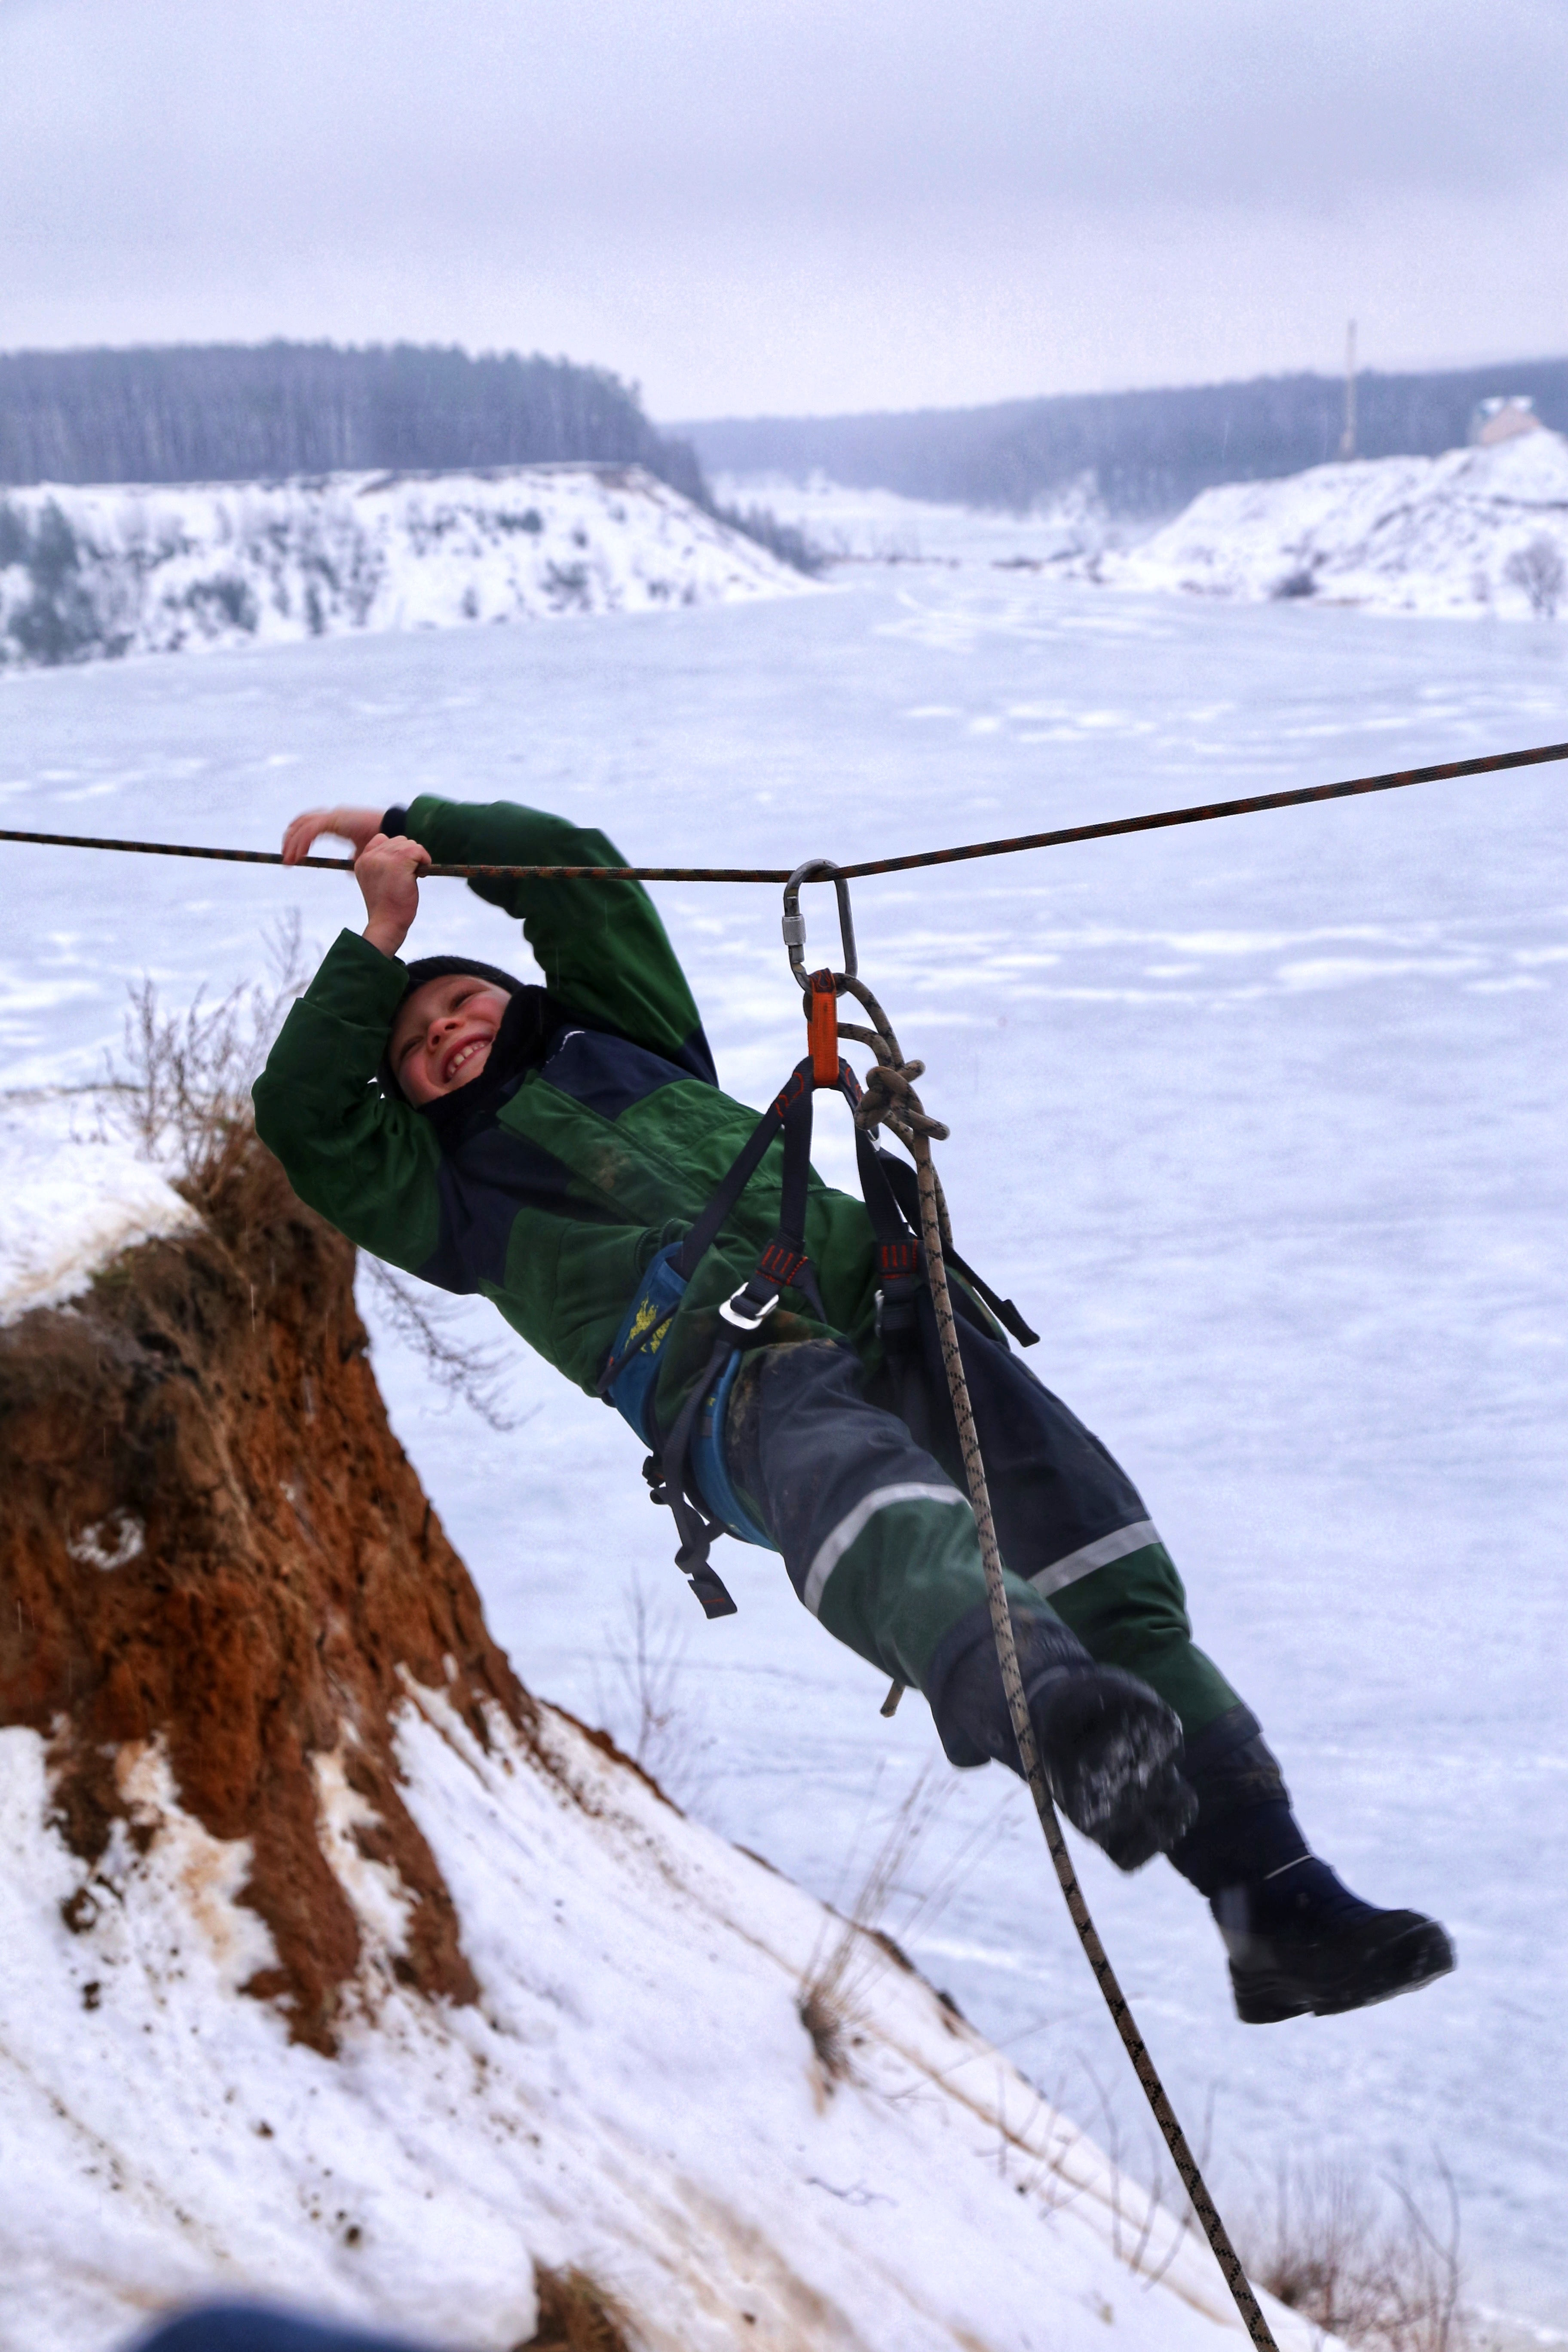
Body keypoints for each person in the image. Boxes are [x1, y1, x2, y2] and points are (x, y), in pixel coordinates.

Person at [255, 797, 1455, 2025]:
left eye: (463, 1002)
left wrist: (419, 823)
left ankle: (1278, 1906)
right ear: (404, 1096)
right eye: (414, 1044)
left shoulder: (628, 1042)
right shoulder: (443, 1195)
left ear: (521, 1002)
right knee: (871, 1500)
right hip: (724, 1386)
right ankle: (1043, 1699)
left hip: (891, 1310)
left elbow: (588, 883)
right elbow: (304, 1117)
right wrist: (382, 939)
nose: (445, 1030)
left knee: (1102, 1562)